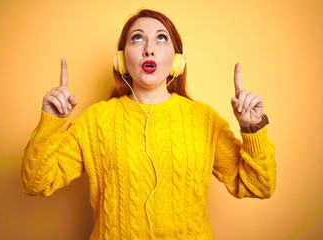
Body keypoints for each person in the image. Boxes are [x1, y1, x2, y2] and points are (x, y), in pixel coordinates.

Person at [21, 9, 276, 240]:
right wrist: (51, 121)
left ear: (178, 60)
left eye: (161, 38)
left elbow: (258, 186)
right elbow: (36, 182)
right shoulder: (95, 120)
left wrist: (252, 129)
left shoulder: (204, 119)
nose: (149, 49)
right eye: (137, 38)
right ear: (121, 60)